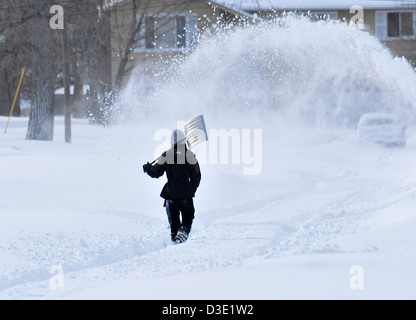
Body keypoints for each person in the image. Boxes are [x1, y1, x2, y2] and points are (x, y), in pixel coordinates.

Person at [143, 129, 201, 244]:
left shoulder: (167, 155)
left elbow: (156, 172)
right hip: (186, 193)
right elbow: (197, 175)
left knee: (173, 219)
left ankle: (174, 236)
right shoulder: (189, 155)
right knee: (188, 214)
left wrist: (148, 168)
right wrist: (192, 189)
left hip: (171, 193)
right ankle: (183, 231)